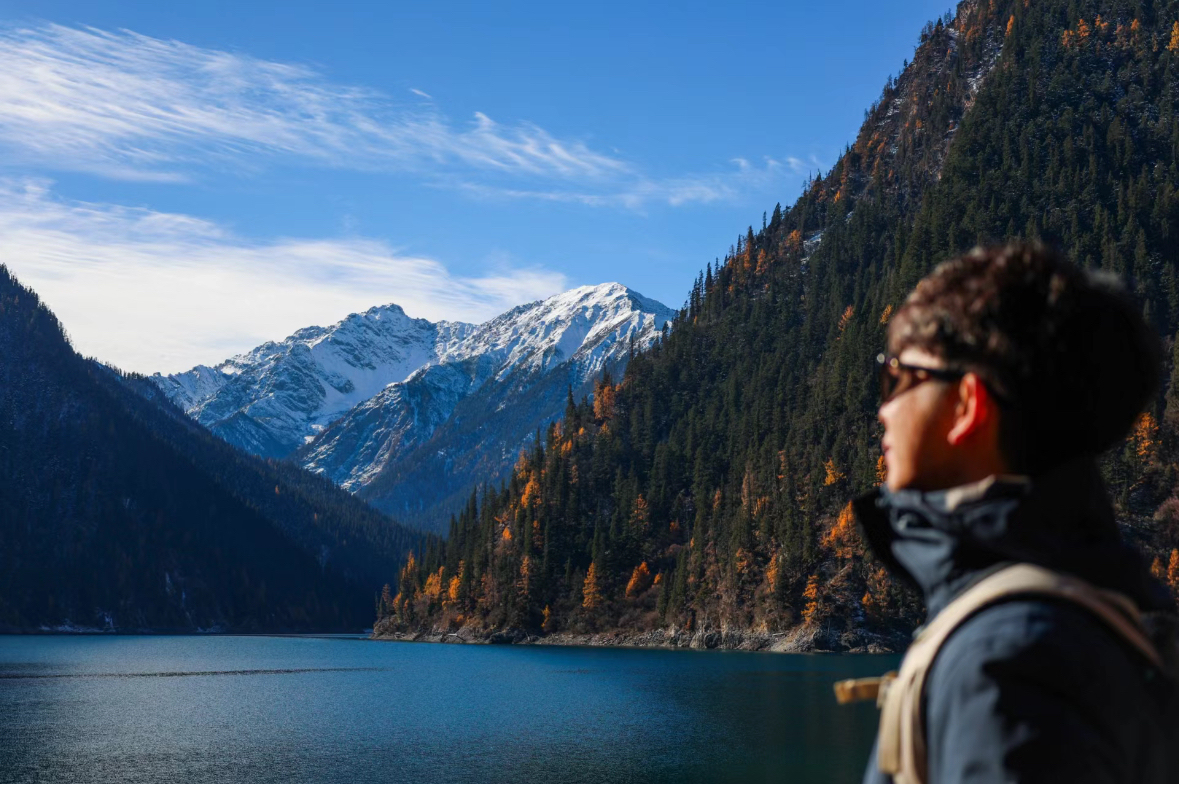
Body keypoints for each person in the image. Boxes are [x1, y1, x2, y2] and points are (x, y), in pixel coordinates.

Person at [852, 242, 1177, 782]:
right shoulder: (1099, 603)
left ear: (967, 407)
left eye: (898, 378)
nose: (884, 409)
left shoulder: (1008, 665)